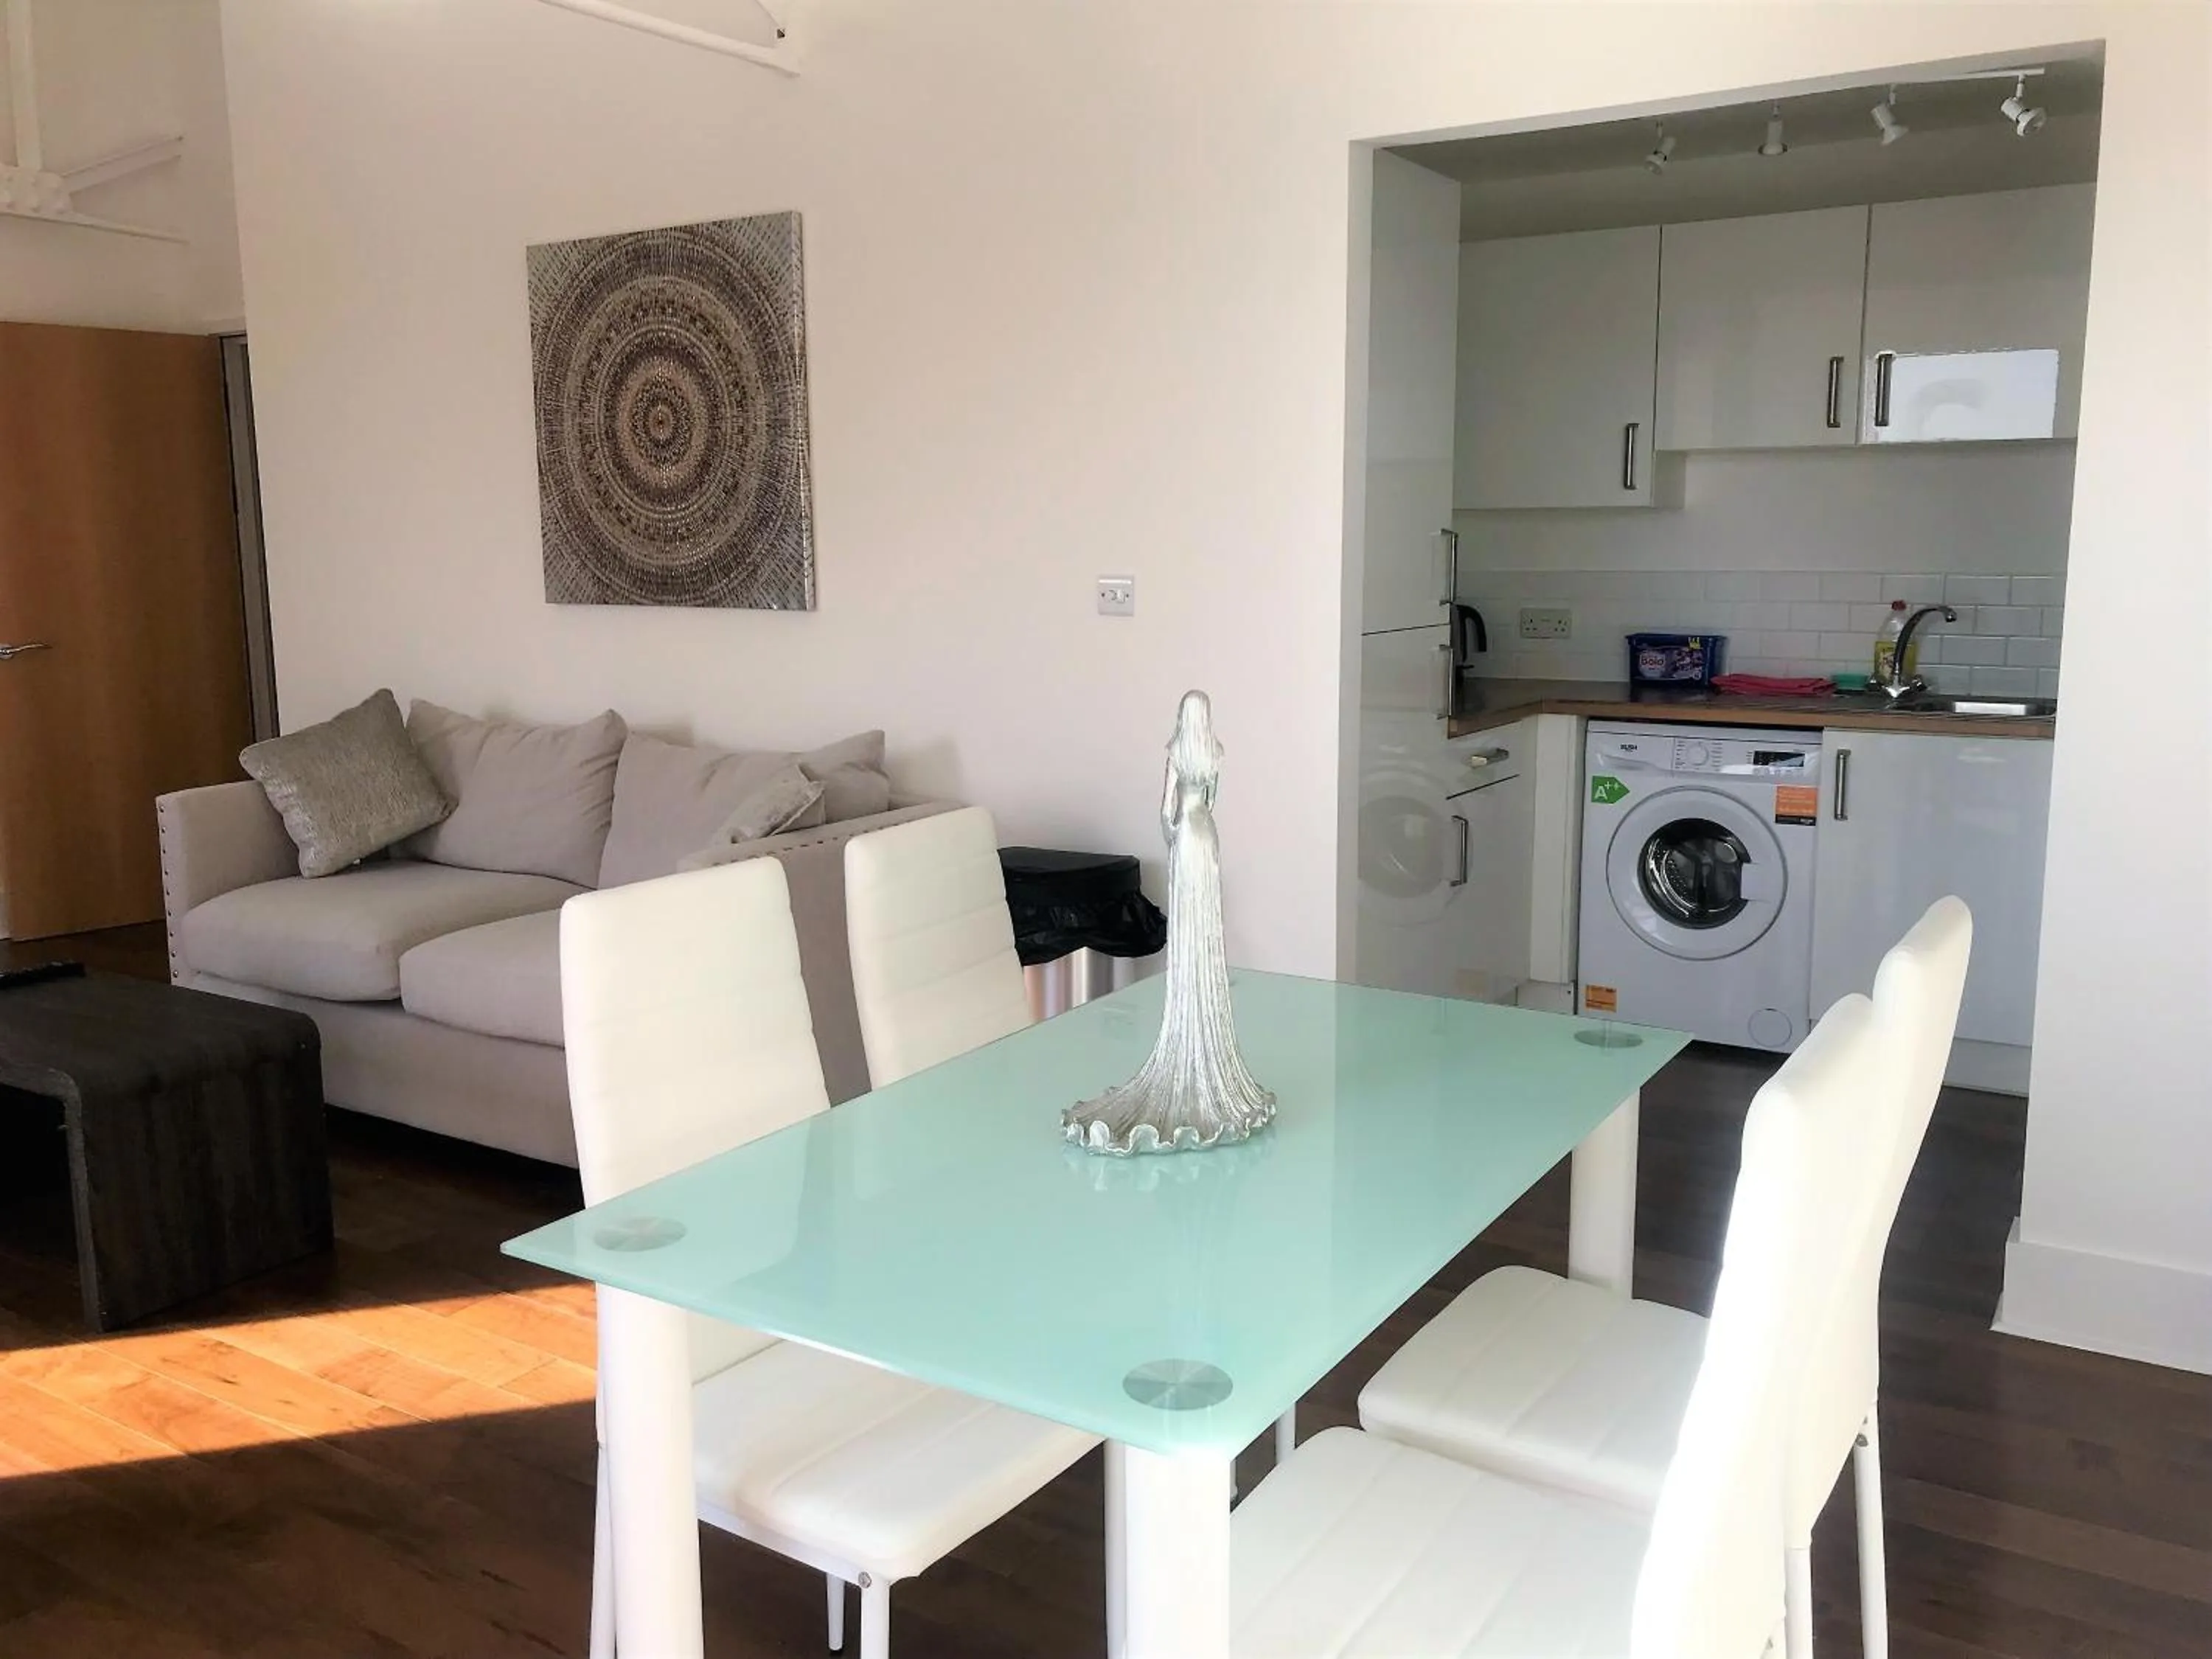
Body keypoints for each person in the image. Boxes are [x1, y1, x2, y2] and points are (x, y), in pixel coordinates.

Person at [1065, 689, 1277, 1154]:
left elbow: (1166, 812)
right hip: (1208, 836)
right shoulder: (1213, 756)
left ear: (1183, 718)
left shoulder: (1176, 756)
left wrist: (1175, 842)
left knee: (1189, 923)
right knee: (1206, 924)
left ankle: (1189, 1012)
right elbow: (1212, 802)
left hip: (1187, 837)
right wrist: (1195, 831)